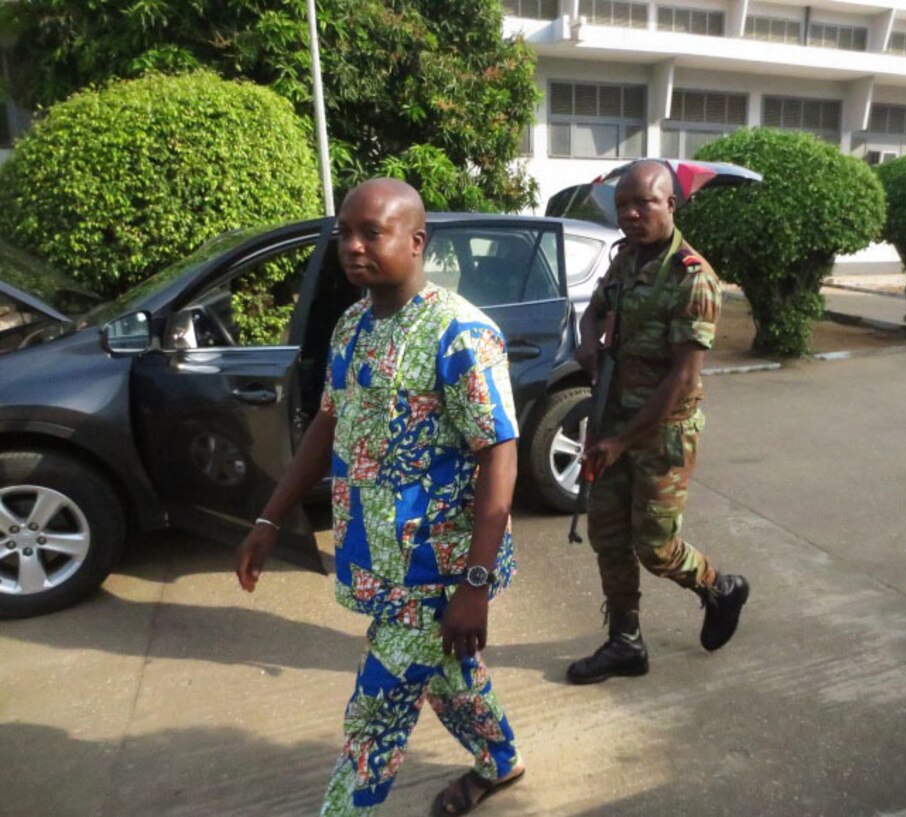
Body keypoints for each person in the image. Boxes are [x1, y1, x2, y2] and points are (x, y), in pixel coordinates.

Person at [235, 178, 525, 816]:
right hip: (377, 557)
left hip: (438, 572)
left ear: (417, 241)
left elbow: (499, 452)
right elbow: (328, 424)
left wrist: (473, 586)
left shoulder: (461, 334)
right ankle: (502, 762)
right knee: (451, 681)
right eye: (346, 232)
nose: (353, 246)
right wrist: (269, 517)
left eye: (373, 232)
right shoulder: (352, 325)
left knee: (375, 718)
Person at [566, 161, 750, 686]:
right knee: (608, 536)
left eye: (643, 203)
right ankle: (625, 642)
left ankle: (721, 588)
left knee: (656, 547)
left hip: (662, 432)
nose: (630, 213)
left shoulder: (693, 277)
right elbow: (594, 311)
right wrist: (587, 344)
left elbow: (683, 380)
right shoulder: (624, 260)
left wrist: (622, 442)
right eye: (623, 204)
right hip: (613, 418)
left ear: (671, 204)